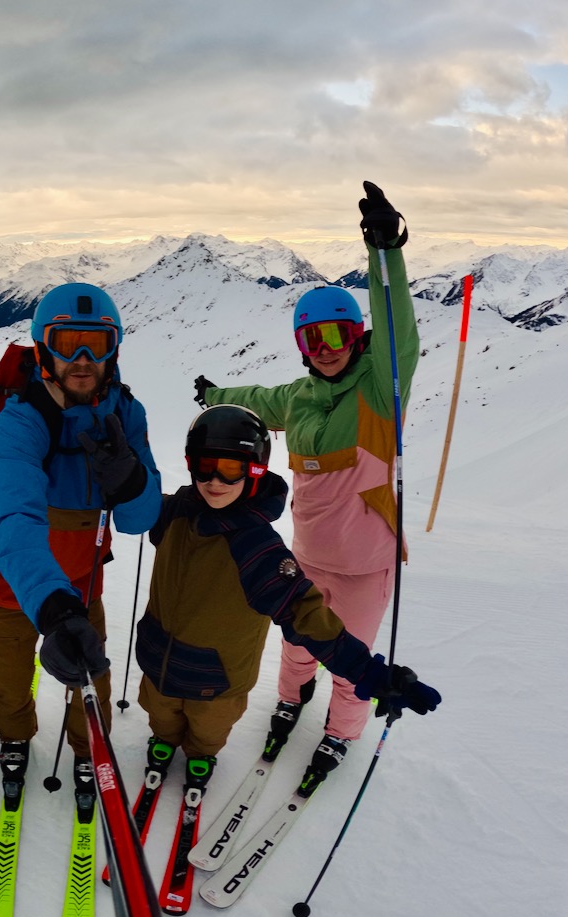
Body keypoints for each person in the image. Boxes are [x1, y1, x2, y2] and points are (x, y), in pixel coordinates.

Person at [194, 181, 421, 779]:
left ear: (356, 338)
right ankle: (292, 701)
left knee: (354, 663)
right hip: (308, 555)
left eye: (336, 336)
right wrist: (215, 396)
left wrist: (385, 253)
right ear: (300, 346)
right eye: (311, 339)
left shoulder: (378, 390)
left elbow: (399, 330)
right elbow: (259, 399)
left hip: (368, 561)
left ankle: (342, 732)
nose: (325, 350)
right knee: (296, 646)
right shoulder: (299, 398)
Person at [136, 404, 439, 795]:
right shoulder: (175, 512)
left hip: (217, 680)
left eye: (231, 468)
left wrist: (371, 675)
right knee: (160, 714)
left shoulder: (255, 545)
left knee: (209, 729)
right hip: (158, 661)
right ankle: (163, 741)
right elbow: (132, 504)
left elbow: (306, 614)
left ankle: (201, 754)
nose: (214, 480)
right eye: (205, 465)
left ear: (255, 469)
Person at [0, 282, 162, 802]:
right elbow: (14, 519)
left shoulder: (125, 414)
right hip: (7, 587)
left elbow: (141, 522)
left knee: (91, 682)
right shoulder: (21, 419)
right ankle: (15, 738)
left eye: (95, 345)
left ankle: (86, 750)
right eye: (66, 343)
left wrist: (132, 482)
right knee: (8, 684)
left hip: (81, 584)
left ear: (113, 349)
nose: (81, 359)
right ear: (42, 349)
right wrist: (54, 609)